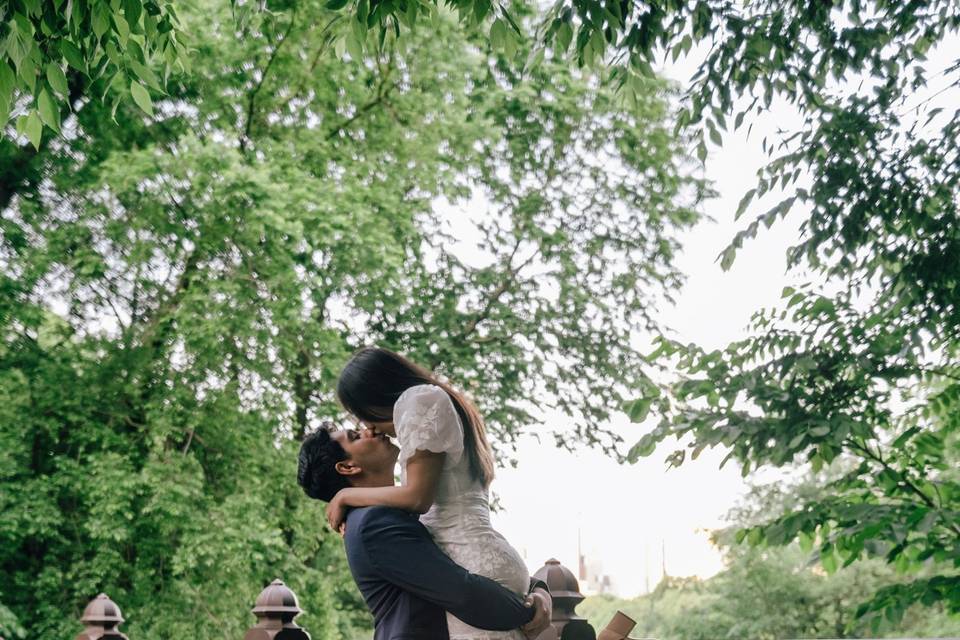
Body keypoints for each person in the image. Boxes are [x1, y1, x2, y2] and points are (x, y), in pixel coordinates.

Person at [326, 346, 537, 640]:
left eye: (362, 416)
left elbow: (417, 498)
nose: (369, 427)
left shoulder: (418, 401)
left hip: (472, 568)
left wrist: (345, 497)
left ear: (375, 395)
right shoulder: (432, 401)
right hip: (481, 557)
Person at [297, 425, 551, 640]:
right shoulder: (373, 523)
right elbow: (460, 591)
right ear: (348, 467)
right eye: (355, 436)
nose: (370, 429)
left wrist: (538, 589)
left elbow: (462, 553)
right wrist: (528, 612)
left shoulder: (397, 510)